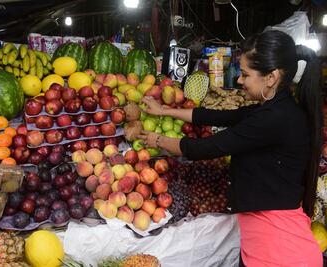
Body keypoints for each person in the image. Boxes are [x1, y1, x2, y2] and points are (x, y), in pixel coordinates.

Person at [138, 30, 323, 266]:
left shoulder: (276, 118)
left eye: (245, 75)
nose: (239, 80)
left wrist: (157, 140)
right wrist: (163, 111)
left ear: (271, 77)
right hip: (266, 242)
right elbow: (218, 116)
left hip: (280, 249)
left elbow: (206, 148)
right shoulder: (274, 109)